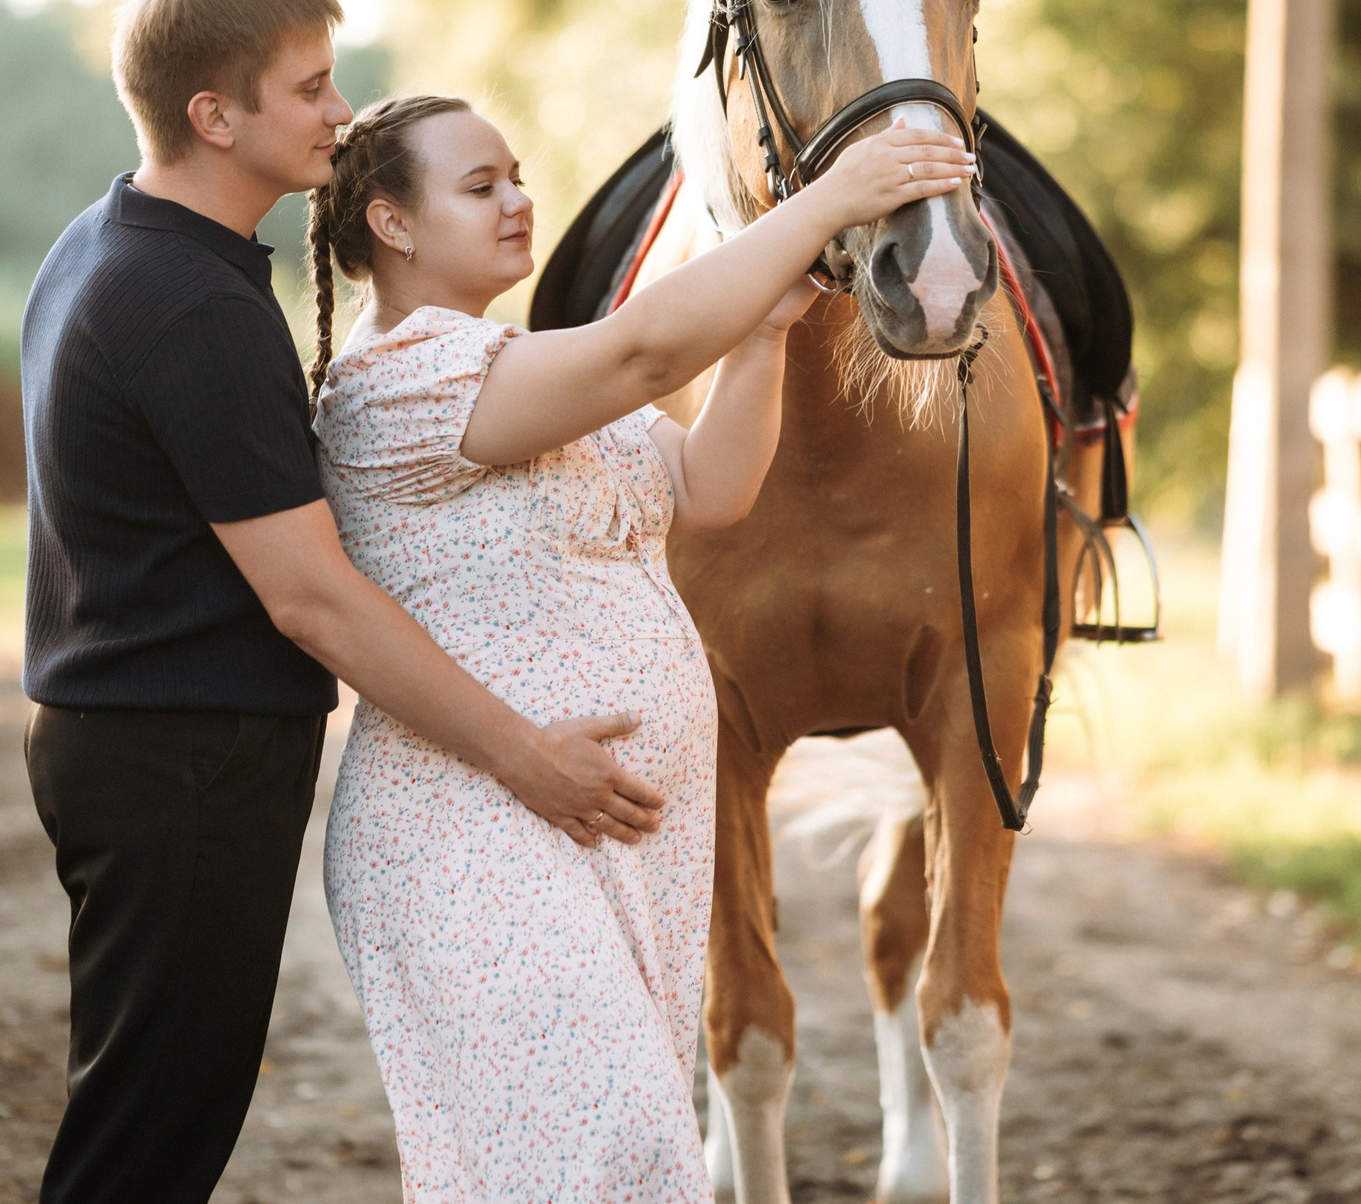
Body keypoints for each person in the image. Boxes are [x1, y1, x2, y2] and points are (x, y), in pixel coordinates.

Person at [19, 0, 670, 1204]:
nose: (340, 113)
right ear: (216, 117)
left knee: (157, 1103)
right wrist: (523, 754)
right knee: (154, 1127)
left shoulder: (106, 243)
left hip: (140, 745)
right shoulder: (187, 304)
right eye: (311, 89)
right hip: (180, 759)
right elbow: (310, 595)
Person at [306, 93, 971, 1201]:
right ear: (392, 226)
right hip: (475, 836)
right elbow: (647, 349)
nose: (520, 200)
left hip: (611, 840)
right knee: (609, 1159)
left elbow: (712, 487)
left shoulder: (524, 362)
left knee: (587, 1161)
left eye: (517, 174)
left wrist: (761, 333)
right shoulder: (400, 381)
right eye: (481, 187)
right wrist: (826, 203)